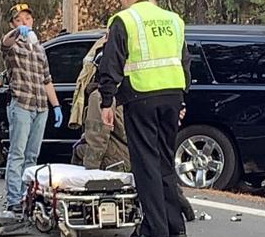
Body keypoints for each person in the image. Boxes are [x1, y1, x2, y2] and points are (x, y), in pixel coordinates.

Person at [97, 0, 191, 237]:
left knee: (145, 160)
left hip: (141, 95)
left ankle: (154, 228)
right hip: (172, 95)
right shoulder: (174, 20)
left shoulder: (124, 20)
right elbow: (185, 62)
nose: (120, 1)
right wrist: (183, 99)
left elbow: (111, 63)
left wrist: (107, 101)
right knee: (164, 158)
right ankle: (175, 224)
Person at [70, 32, 196, 222]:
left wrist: (89, 175)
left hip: (122, 158)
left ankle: (84, 205)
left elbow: (98, 140)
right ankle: (177, 203)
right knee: (160, 167)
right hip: (144, 150)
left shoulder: (100, 97)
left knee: (80, 150)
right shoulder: (135, 91)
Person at [0, 2, 63, 214]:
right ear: (12, 24)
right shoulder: (13, 47)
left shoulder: (39, 48)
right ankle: (13, 199)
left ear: (32, 21)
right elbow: (4, 43)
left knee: (32, 155)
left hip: (40, 106)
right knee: (17, 153)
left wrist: (56, 106)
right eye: (18, 20)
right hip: (22, 104)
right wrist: (17, 32)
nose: (24, 22)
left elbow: (47, 80)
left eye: (26, 19)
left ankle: (29, 196)